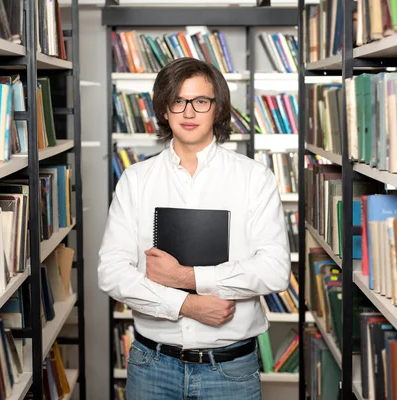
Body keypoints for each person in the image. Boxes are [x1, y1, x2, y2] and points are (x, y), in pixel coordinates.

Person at [98, 57, 291, 399]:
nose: (189, 112)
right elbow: (112, 273)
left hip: (229, 370)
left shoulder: (254, 178)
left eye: (200, 101)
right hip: (152, 366)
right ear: (164, 110)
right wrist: (187, 304)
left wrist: (187, 278)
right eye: (178, 101)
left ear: (217, 109)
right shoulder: (136, 180)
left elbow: (274, 271)